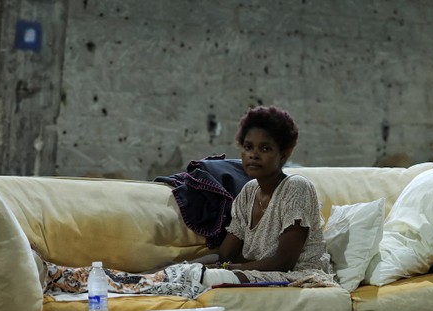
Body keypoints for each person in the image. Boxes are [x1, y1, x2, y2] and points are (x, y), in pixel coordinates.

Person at [41, 105, 337, 299]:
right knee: (177, 272)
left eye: (265, 148)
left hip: (298, 277)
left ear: (284, 154)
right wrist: (187, 263)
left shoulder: (296, 188)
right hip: (258, 270)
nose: (253, 155)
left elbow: (284, 262)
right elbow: (226, 251)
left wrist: (226, 269)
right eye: (248, 147)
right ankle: (68, 276)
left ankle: (69, 279)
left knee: (195, 277)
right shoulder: (248, 192)